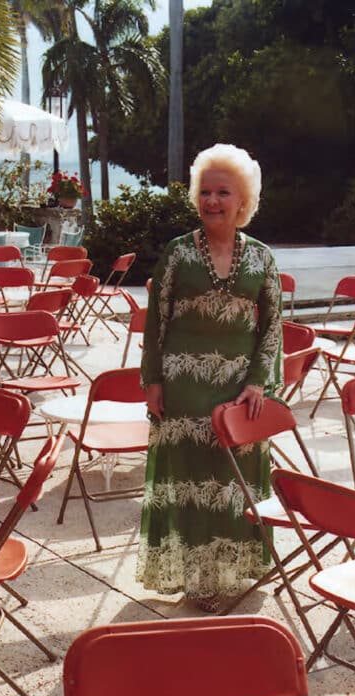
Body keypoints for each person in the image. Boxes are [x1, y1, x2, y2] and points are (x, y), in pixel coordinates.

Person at [137, 143, 283, 612]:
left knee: (233, 486)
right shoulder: (177, 254)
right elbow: (155, 322)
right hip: (183, 392)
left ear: (244, 201)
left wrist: (259, 382)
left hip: (241, 395)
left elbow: (272, 326)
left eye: (223, 192)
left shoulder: (262, 259)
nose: (212, 201)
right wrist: (153, 382)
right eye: (205, 192)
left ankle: (237, 569)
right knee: (191, 487)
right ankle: (199, 579)